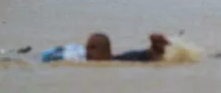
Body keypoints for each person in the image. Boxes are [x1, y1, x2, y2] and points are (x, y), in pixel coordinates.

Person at [41, 33, 170, 62]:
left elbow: (149, 55)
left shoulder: (123, 60)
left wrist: (156, 47)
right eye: (87, 48)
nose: (87, 52)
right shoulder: (79, 61)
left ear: (106, 50)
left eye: (93, 48)